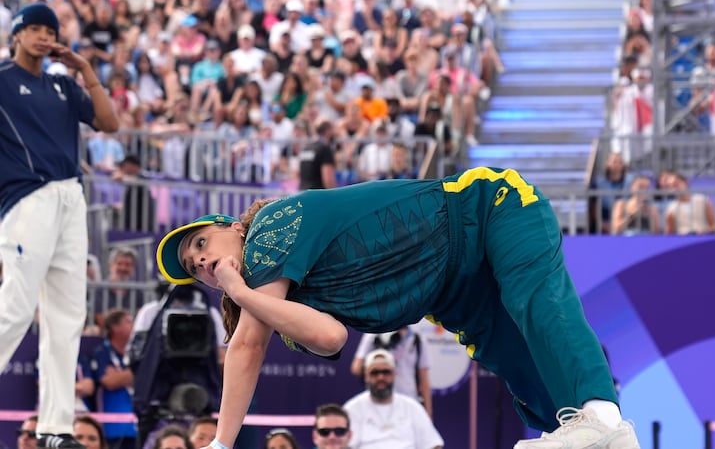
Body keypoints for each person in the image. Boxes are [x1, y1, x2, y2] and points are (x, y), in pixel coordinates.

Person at [155, 166, 640, 449]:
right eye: (192, 266)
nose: (198, 259)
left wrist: (219, 444)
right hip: (455, 294)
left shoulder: (268, 227)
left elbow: (246, 346)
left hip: (485, 208)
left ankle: (601, 413)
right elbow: (331, 338)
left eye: (200, 242)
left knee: (534, 300)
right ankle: (610, 438)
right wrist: (245, 297)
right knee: (527, 376)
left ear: (232, 228)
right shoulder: (277, 301)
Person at [0, 4, 119, 449]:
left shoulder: (63, 84)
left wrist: (87, 70)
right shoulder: (2, 79)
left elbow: (109, 123)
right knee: (15, 306)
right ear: (16, 34)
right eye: (33, 28)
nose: (43, 36)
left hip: (72, 194)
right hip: (27, 197)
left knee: (67, 316)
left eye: (49, 30)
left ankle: (55, 428)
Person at [344, 349, 443, 449]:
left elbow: (432, 444)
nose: (381, 377)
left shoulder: (412, 407)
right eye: (375, 373)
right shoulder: (352, 409)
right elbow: (345, 445)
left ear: (394, 374)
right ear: (366, 376)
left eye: (386, 372)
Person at [350, 326, 433, 417]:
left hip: (409, 400)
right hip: (379, 399)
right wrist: (379, 357)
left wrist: (428, 414)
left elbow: (424, 380)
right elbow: (356, 368)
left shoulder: (418, 340)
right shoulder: (374, 334)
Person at [90, 309, 137, 449]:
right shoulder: (102, 353)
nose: (133, 325)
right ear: (115, 328)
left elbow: (145, 378)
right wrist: (134, 374)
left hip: (136, 426)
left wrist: (120, 376)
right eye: (128, 322)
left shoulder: (136, 352)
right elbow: (109, 382)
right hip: (113, 427)